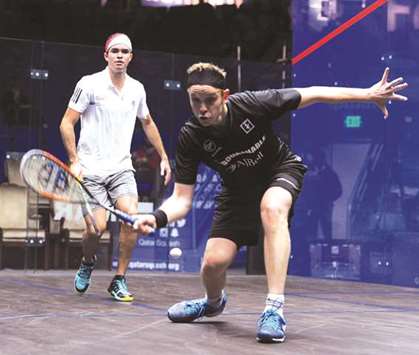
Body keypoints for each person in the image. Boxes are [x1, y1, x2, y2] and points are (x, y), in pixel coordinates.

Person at [133, 63, 408, 343]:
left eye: (210, 100)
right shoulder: (190, 136)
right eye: (195, 101)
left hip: (280, 171)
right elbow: (181, 199)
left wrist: (368, 94)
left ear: (225, 96)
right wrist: (156, 218)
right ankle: (212, 303)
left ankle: (274, 309)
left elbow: (311, 93)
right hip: (237, 192)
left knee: (272, 207)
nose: (202, 108)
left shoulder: (252, 104)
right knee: (213, 264)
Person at [59, 33, 171, 302]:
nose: (120, 55)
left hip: (121, 169)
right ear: (106, 55)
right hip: (90, 171)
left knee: (131, 218)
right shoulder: (89, 85)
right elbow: (66, 123)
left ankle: (119, 278)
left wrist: (164, 156)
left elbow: (148, 123)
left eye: (125, 51)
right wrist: (74, 161)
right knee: (95, 229)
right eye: (115, 51)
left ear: (131, 57)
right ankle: (88, 261)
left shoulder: (137, 89)